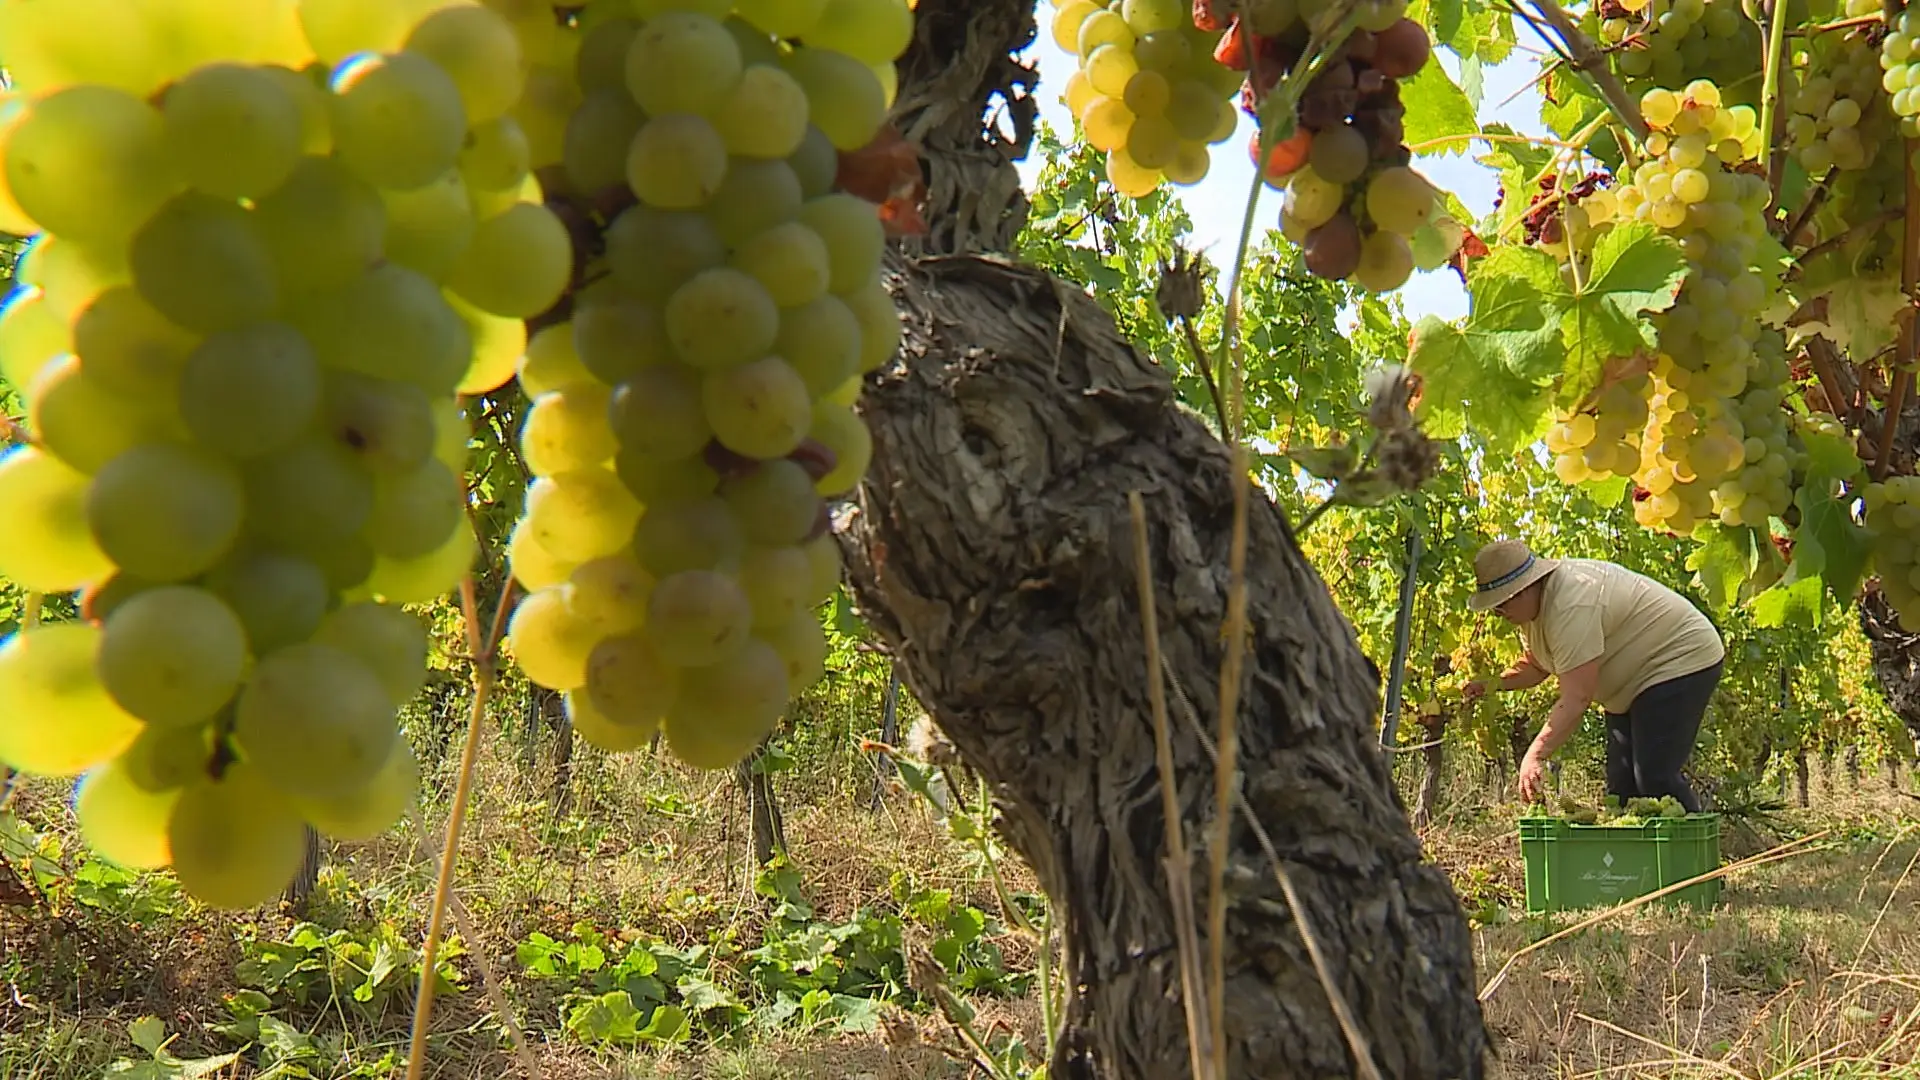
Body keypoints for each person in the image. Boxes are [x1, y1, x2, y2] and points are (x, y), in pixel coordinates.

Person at [1461, 539, 1725, 811]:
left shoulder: (1570, 604)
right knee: (1621, 790)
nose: (1497, 612)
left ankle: (1694, 850)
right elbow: (1537, 665)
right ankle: (1638, 853)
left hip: (1680, 658)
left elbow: (1577, 697)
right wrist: (1490, 685)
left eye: (1501, 604)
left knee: (1654, 778)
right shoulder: (1532, 612)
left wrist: (1535, 755)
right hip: (1633, 685)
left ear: (1524, 589)